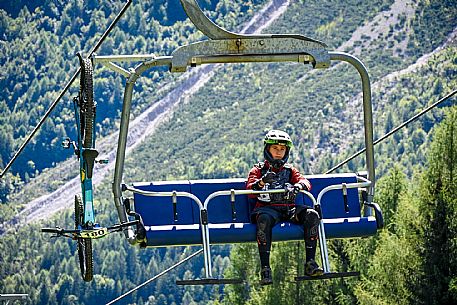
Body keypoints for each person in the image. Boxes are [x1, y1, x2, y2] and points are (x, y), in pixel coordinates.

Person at [246, 130, 323, 285]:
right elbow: (250, 191)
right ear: (268, 150)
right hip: (268, 209)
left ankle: (310, 263)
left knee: (312, 215)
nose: (279, 153)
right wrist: (262, 182)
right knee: (263, 221)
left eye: (282, 150)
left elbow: (305, 181)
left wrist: (298, 186)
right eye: (275, 149)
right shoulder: (258, 170)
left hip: (289, 209)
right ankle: (265, 268)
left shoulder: (289, 170)